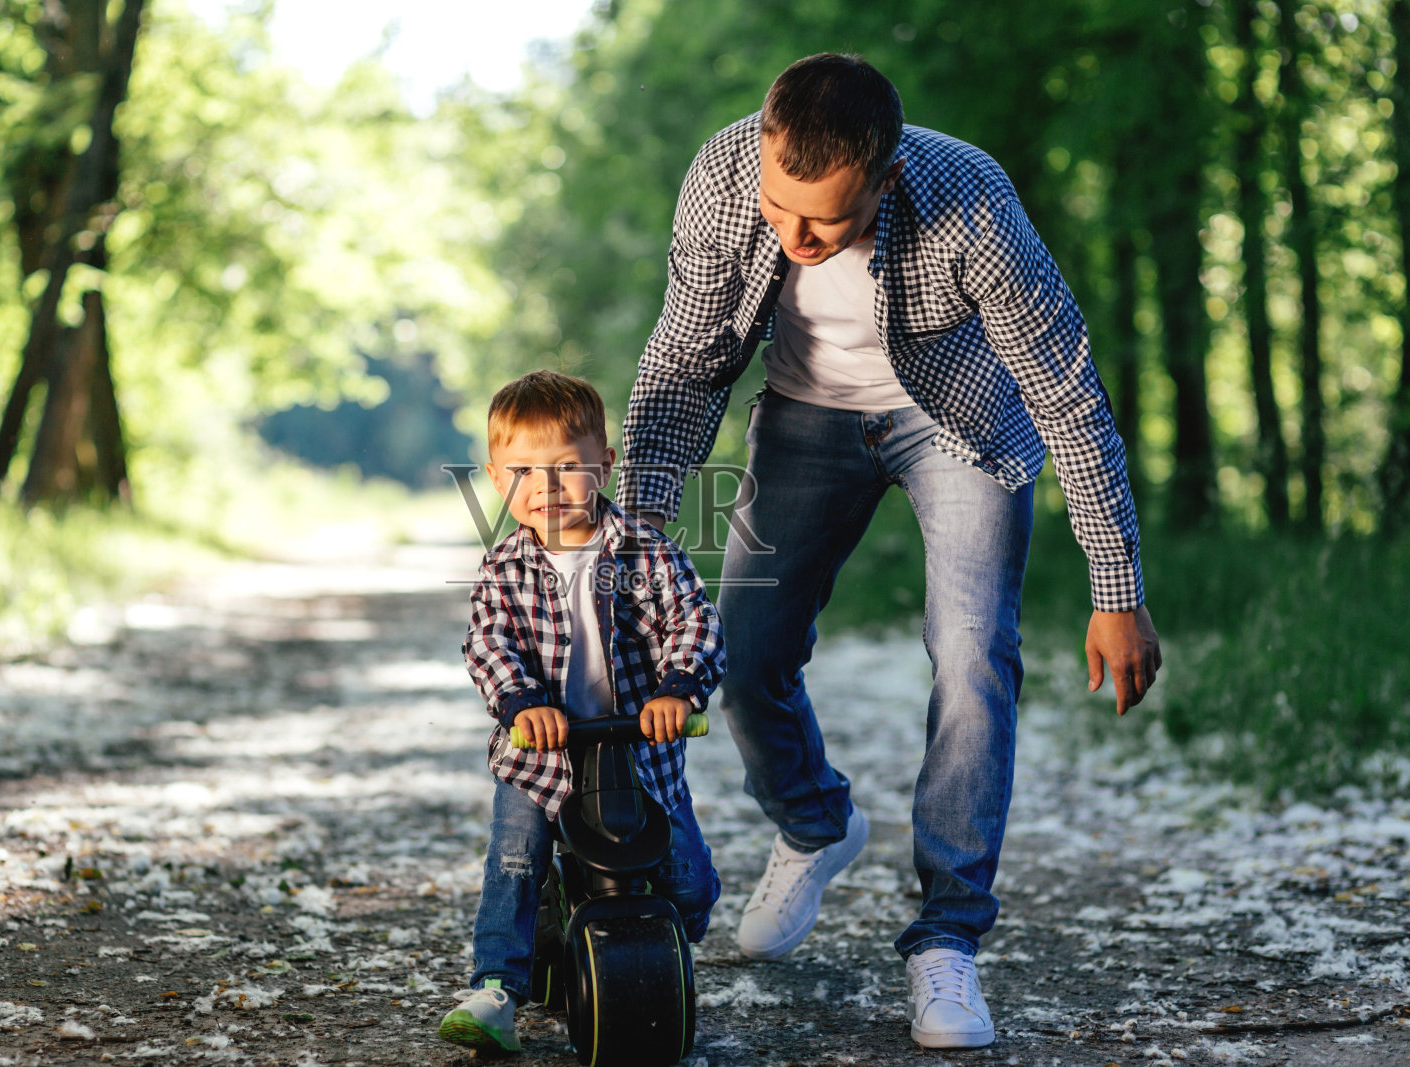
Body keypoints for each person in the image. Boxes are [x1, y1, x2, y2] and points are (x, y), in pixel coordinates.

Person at [614, 53, 1162, 1050]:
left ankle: (947, 935)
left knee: (973, 651)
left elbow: (1067, 393)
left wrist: (1115, 587)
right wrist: (637, 543)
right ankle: (816, 823)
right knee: (741, 650)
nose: (794, 239)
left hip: (960, 422)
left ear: (887, 175)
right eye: (779, 209)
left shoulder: (972, 202)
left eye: (823, 221)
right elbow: (684, 365)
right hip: (804, 415)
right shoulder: (724, 174)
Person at [439, 369, 726, 1054]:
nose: (546, 485)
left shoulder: (646, 552)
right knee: (515, 861)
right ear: (496, 478)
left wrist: (678, 688)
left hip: (638, 750)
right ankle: (497, 988)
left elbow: (695, 621)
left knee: (687, 882)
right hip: (540, 758)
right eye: (523, 471)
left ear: (604, 464)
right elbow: (488, 643)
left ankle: (663, 944)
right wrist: (522, 703)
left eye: (567, 466)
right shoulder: (504, 567)